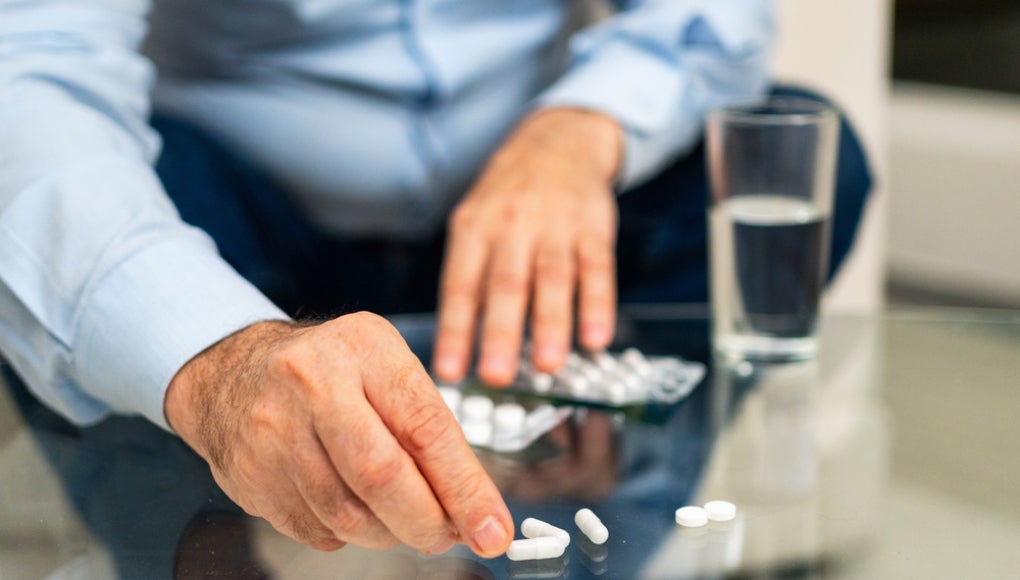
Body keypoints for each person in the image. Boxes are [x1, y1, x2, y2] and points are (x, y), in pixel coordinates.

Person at [0, 0, 869, 560]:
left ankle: (579, 546)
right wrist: (214, 358)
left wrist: (579, 129)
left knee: (802, 156)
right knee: (66, 218)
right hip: (242, 230)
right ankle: (195, 555)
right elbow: (29, 75)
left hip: (534, 220)